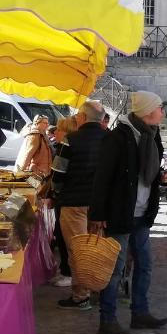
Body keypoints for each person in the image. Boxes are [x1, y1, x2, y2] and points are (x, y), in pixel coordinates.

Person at [89, 91, 167, 334]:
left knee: (145, 265)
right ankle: (108, 319)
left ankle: (140, 313)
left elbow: (149, 174)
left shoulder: (153, 136)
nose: (163, 112)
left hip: (142, 214)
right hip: (120, 213)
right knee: (115, 269)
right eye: (159, 107)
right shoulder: (118, 137)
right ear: (147, 111)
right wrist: (98, 213)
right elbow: (102, 178)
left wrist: (162, 178)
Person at [50, 100, 106, 310]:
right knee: (96, 248)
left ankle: (81, 296)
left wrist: (56, 192)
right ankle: (98, 290)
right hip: (100, 205)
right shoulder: (110, 140)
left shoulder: (70, 140)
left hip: (73, 203)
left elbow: (58, 174)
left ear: (82, 117)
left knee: (77, 250)